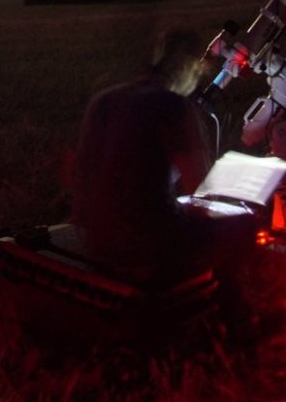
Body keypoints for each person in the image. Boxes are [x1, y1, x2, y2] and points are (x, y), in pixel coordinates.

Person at [71, 31, 253, 287]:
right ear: (187, 68)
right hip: (147, 246)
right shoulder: (174, 106)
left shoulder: (104, 98)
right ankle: (231, 314)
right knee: (243, 225)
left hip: (95, 239)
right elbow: (200, 188)